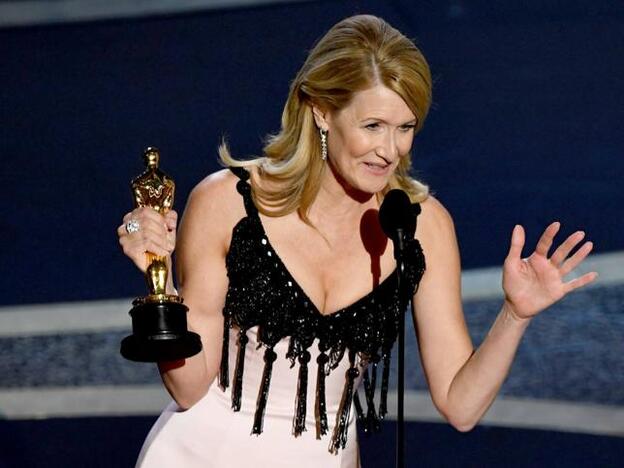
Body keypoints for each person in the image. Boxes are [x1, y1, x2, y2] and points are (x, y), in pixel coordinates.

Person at [117, 14, 597, 468]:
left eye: (405, 128)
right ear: (322, 112)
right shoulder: (229, 203)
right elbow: (189, 387)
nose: (390, 150)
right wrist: (160, 287)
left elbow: (460, 405)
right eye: (373, 126)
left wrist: (514, 316)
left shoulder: (421, 225)